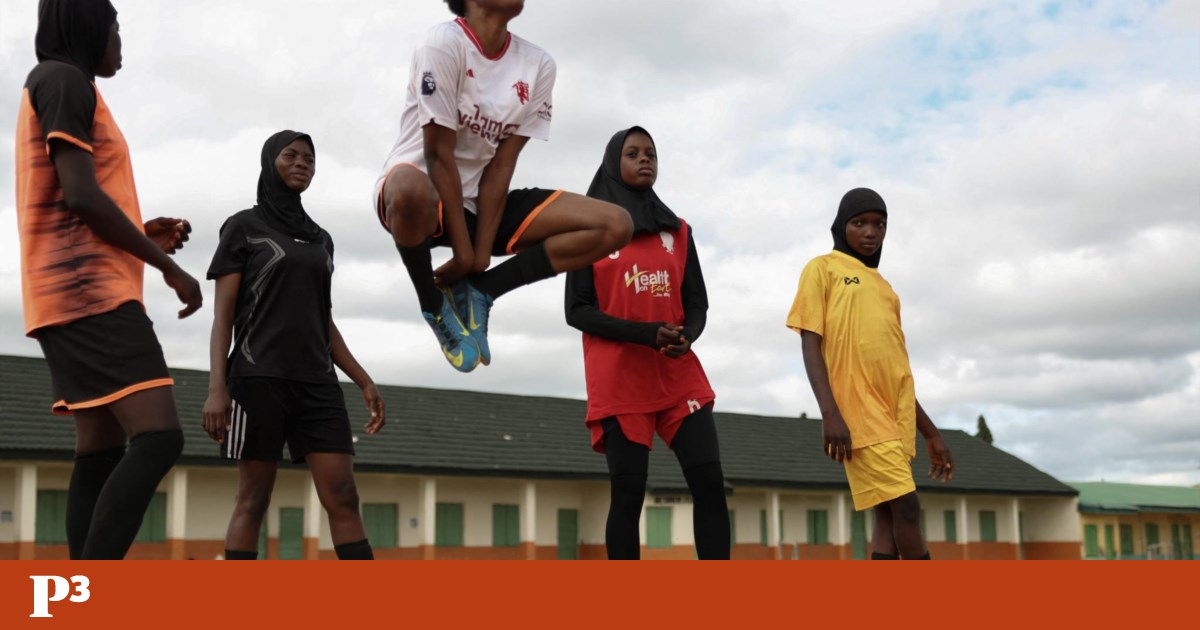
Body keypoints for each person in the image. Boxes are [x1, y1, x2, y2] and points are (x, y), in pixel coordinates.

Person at [14, 0, 202, 560]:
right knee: (160, 437)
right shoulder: (65, 79)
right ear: (88, 24)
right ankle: (94, 593)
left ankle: (79, 593)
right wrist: (167, 266)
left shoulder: (61, 85)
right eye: (116, 26)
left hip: (67, 290)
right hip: (86, 291)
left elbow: (72, 201)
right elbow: (81, 194)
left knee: (100, 448)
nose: (120, 39)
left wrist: (142, 234)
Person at [376, 0, 632, 373]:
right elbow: (437, 154)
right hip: (420, 192)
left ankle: (484, 291)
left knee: (616, 225)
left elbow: (502, 165)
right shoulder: (442, 42)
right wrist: (464, 255)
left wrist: (480, 258)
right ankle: (432, 303)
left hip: (479, 203)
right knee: (410, 190)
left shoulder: (539, 64)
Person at [203, 130, 386, 561]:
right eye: (291, 155)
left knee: (342, 494)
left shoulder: (321, 239)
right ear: (271, 162)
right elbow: (222, 317)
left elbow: (322, 321)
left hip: (318, 384)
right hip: (257, 378)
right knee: (254, 499)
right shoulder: (242, 227)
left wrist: (362, 379)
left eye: (309, 158)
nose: (302, 163)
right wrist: (217, 388)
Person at [566, 127, 729, 560]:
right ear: (612, 163)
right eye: (633, 153)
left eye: (651, 153)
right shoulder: (588, 229)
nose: (645, 160)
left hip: (677, 374)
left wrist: (687, 335)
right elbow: (576, 310)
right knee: (629, 494)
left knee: (710, 483)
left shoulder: (678, 231)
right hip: (620, 380)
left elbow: (697, 303)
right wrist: (644, 334)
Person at [786, 187, 955, 560]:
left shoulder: (886, 290)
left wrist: (930, 432)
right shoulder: (823, 269)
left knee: (887, 514)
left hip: (894, 419)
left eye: (879, 224)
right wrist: (830, 412)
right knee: (907, 508)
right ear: (841, 226)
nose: (870, 232)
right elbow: (809, 343)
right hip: (857, 416)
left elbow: (895, 372)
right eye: (859, 223)